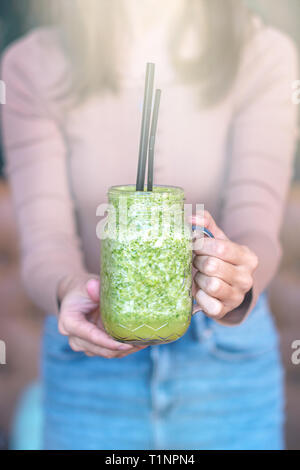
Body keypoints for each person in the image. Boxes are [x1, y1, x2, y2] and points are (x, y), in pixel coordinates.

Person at [1, 0, 298, 450]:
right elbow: (45, 243)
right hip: (88, 373)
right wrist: (70, 289)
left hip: (226, 371)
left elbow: (257, 225)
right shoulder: (32, 65)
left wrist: (234, 276)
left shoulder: (263, 55)